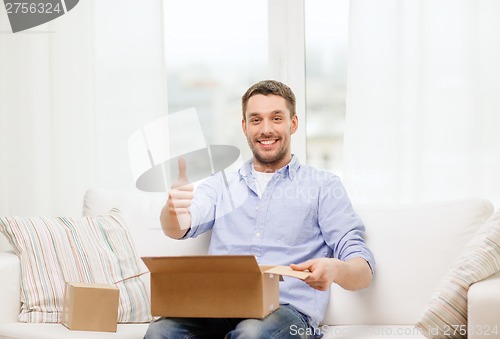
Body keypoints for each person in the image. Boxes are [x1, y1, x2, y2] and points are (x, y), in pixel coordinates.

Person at [145, 80, 375, 339]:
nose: (266, 129)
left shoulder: (323, 186)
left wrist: (335, 269)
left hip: (287, 312)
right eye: (256, 120)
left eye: (276, 118)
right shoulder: (221, 185)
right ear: (245, 127)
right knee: (160, 332)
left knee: (252, 334)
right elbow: (179, 227)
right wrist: (172, 210)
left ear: (293, 123)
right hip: (217, 308)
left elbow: (362, 270)